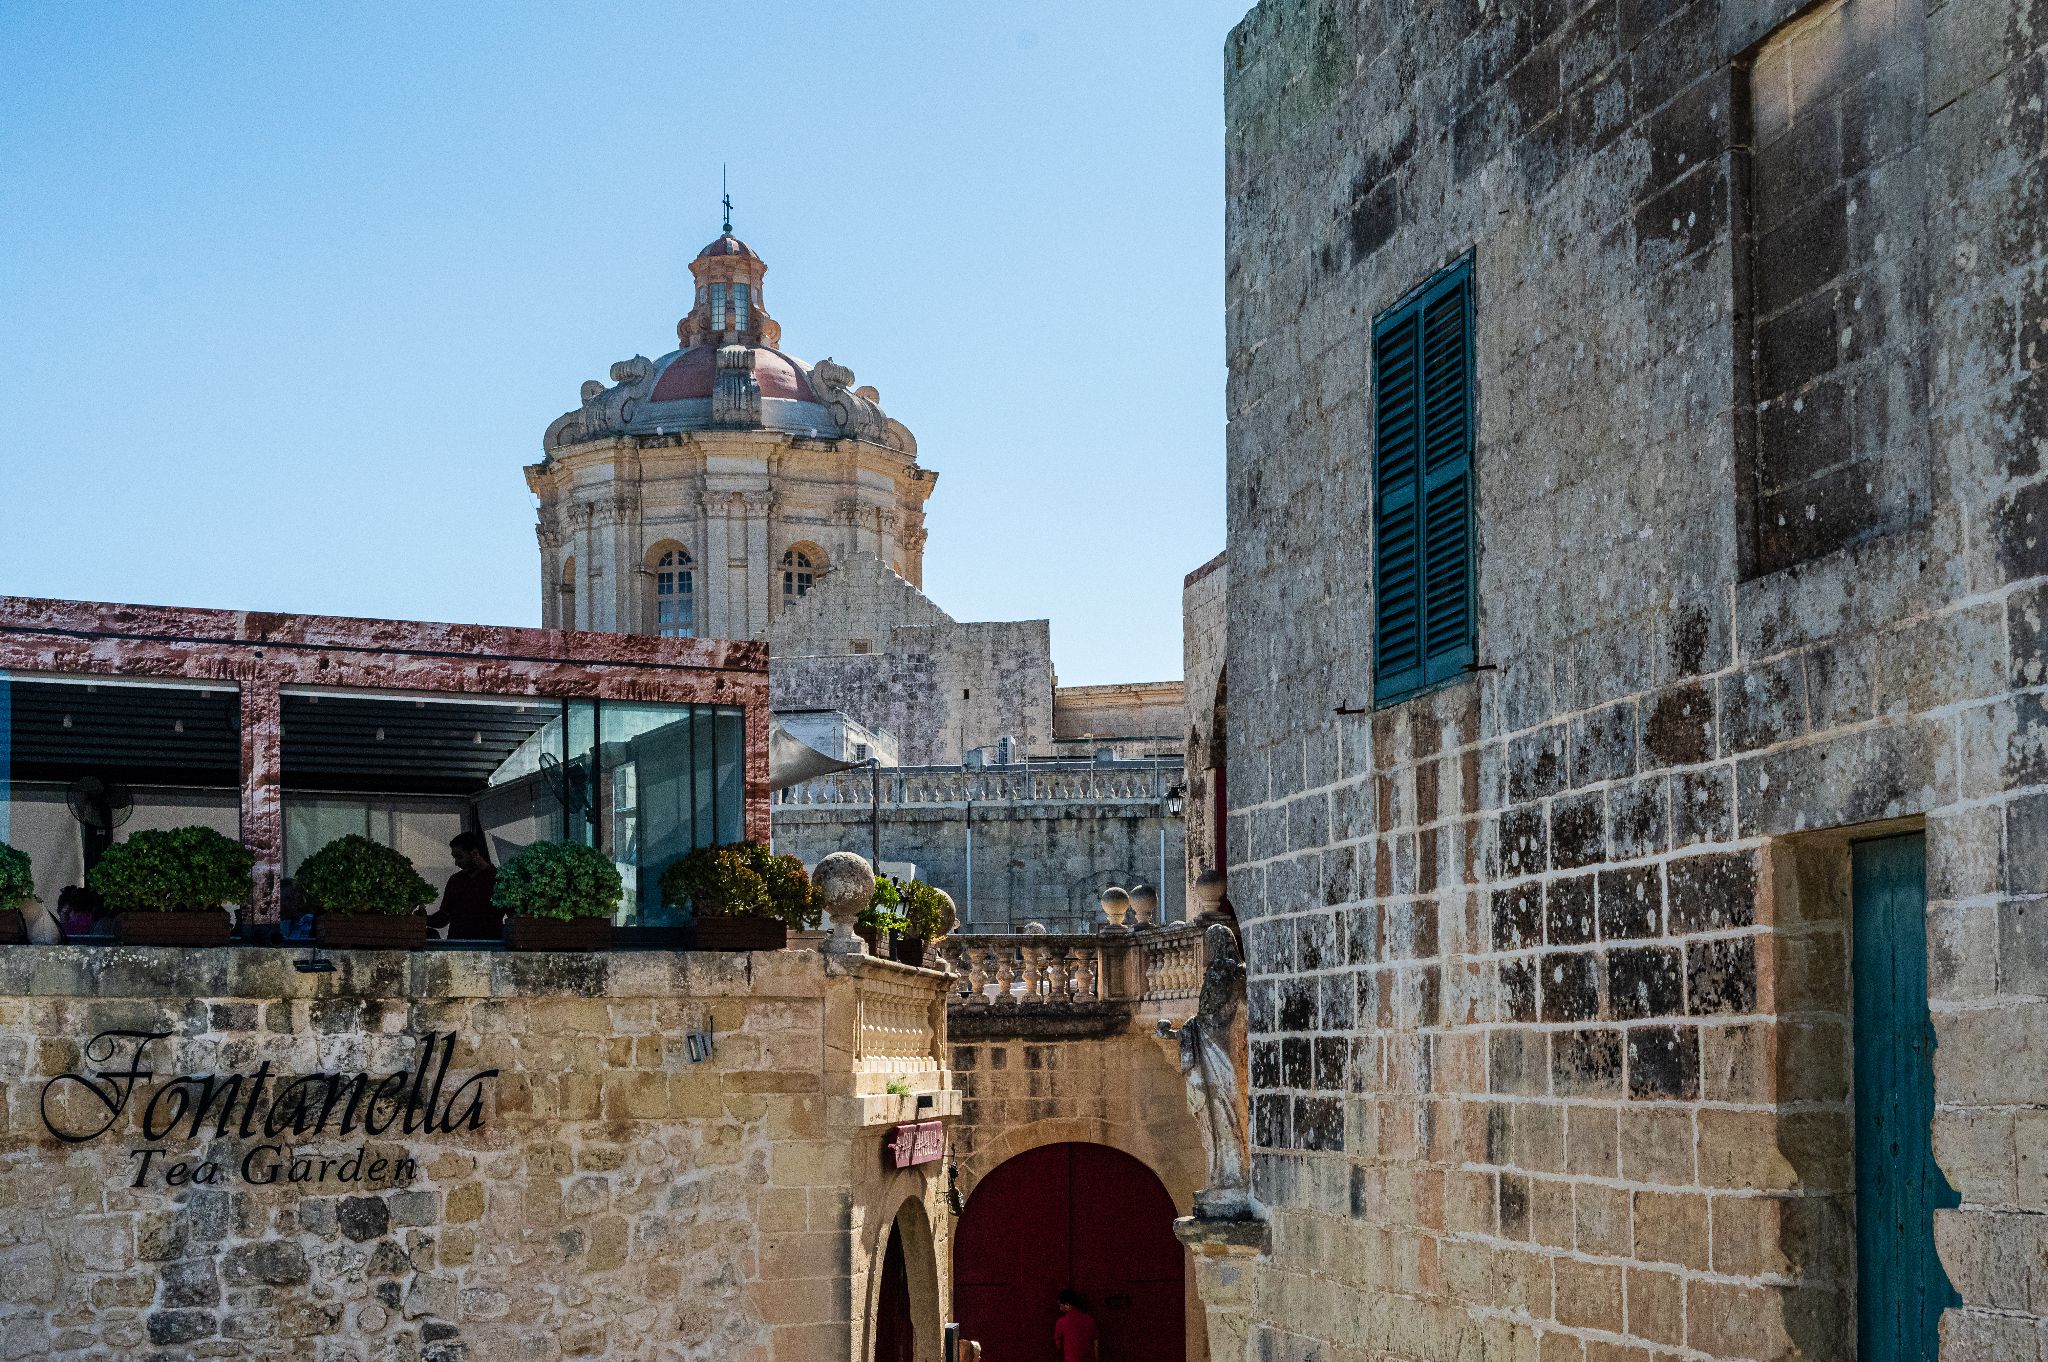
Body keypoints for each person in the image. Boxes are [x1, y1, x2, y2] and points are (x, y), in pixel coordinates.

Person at [427, 833, 501, 940]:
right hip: (457, 947)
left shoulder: (497, 879)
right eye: (455, 857)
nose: (456, 863)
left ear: (475, 853)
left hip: (489, 948)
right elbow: (444, 917)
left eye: (459, 856)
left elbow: (514, 916)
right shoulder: (455, 880)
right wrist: (421, 920)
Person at [1053, 1290, 1098, 1362]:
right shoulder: (1090, 1320)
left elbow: (1058, 1345)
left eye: (1060, 1305)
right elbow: (1096, 1345)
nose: (1060, 1309)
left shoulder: (1061, 1322)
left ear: (1067, 1304)